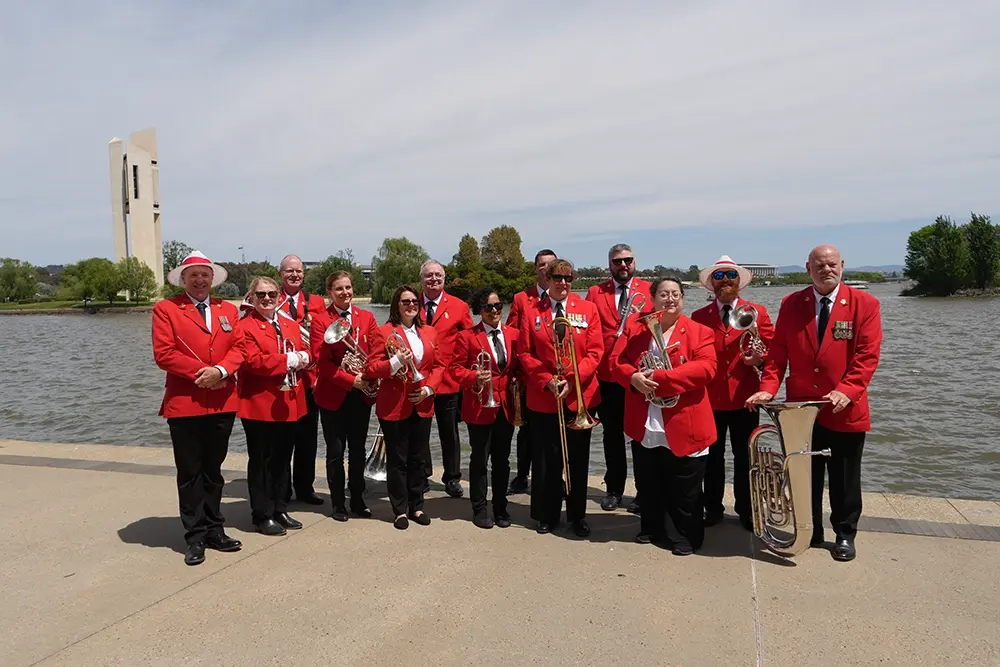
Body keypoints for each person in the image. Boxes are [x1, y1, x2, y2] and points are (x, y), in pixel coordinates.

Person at [747, 244, 882, 562]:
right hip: (801, 410)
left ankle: (845, 534)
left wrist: (847, 389)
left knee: (845, 478)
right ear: (808, 268)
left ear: (842, 265)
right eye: (819, 265)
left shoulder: (865, 304)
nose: (827, 270)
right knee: (804, 474)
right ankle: (811, 530)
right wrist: (768, 388)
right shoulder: (791, 304)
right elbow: (778, 353)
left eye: (832, 264)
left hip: (844, 408)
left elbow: (867, 356)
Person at [152, 251, 246, 566]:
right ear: (183, 279)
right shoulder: (166, 309)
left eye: (205, 274)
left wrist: (220, 372)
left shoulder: (228, 311)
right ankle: (195, 537)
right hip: (185, 404)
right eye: (193, 275)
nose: (200, 280)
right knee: (190, 472)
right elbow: (164, 353)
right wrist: (203, 374)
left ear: (212, 278)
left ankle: (215, 529)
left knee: (214, 470)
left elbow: (239, 348)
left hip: (221, 401)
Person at [611, 277, 717, 555]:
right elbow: (614, 362)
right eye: (663, 294)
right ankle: (652, 527)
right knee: (649, 479)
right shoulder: (636, 329)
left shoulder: (700, 331)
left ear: (683, 298)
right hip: (647, 418)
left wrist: (660, 377)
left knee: (686, 486)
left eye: (676, 294)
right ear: (653, 299)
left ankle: (686, 535)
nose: (670, 299)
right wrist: (632, 377)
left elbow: (706, 369)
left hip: (684, 417)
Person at [518, 258, 603, 537]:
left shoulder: (588, 309)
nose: (563, 283)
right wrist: (547, 381)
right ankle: (547, 514)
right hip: (545, 397)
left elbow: (595, 352)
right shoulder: (532, 312)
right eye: (557, 278)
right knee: (546, 461)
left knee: (577, 461)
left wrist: (572, 380)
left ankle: (578, 515)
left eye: (568, 278)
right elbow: (525, 354)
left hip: (578, 396)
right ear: (547, 279)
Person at [690, 255, 774, 530]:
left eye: (730, 275)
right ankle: (711, 508)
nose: (725, 280)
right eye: (719, 275)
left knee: (745, 457)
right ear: (710, 284)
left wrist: (758, 360)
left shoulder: (758, 312)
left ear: (740, 281)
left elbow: (773, 355)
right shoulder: (699, 317)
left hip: (745, 398)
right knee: (711, 458)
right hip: (710, 398)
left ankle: (747, 509)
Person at [236, 276, 311, 535]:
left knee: (282, 459)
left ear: (279, 296)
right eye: (261, 295)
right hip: (259, 403)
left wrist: (304, 356)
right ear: (252, 298)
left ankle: (280, 507)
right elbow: (254, 362)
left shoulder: (289, 324)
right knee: (261, 460)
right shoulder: (245, 326)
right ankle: (262, 513)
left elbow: (304, 350)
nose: (266, 299)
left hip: (288, 400)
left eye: (271, 294)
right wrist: (290, 359)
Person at [365, 285, 445, 529]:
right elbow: (370, 369)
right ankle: (400, 509)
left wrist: (429, 389)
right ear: (396, 305)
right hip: (394, 404)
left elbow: (439, 366)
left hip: (421, 401)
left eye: (414, 302)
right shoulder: (384, 332)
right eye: (405, 302)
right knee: (397, 460)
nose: (411, 305)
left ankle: (417, 506)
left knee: (418, 458)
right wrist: (395, 361)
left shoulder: (430, 331)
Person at [586, 243, 652, 512]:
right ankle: (614, 488)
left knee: (641, 436)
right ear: (609, 264)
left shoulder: (649, 291)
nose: (623, 265)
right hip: (607, 374)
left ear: (635, 262)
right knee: (612, 436)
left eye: (628, 260)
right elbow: (588, 329)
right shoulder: (594, 292)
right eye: (617, 262)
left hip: (638, 375)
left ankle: (644, 490)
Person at [310, 270, 380, 521]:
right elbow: (324, 364)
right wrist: (353, 380)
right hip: (334, 395)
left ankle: (358, 499)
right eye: (339, 288)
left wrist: (370, 374)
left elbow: (375, 351)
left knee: (358, 450)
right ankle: (338, 503)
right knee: (336, 452)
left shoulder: (367, 317)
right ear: (330, 292)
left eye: (348, 287)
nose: (345, 293)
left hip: (360, 396)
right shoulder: (320, 320)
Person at [451, 287, 520, 529]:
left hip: (505, 407)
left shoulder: (514, 334)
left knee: (502, 460)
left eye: (498, 305)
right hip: (480, 406)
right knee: (479, 460)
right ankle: (480, 509)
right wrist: (473, 377)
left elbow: (518, 367)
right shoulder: (467, 337)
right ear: (479, 311)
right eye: (488, 307)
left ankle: (501, 507)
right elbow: (455, 370)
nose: (494, 311)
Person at [418, 260, 473, 498]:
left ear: (444, 278)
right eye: (428, 276)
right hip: (419, 380)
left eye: (438, 275)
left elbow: (470, 341)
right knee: (420, 430)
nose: (433, 279)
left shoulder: (460, 306)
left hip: (449, 380)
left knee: (449, 432)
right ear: (421, 280)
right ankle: (423, 473)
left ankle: (452, 477)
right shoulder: (410, 303)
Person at [505, 248, 556, 494]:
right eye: (541, 265)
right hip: (529, 375)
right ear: (535, 269)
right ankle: (522, 474)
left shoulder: (564, 297)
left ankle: (554, 475)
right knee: (526, 430)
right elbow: (512, 335)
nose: (545, 268)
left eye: (550, 264)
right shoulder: (521, 299)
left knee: (556, 432)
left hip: (558, 376)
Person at [277, 254, 327, 506]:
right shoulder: (269, 300)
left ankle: (305, 487)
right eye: (289, 271)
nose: (294, 275)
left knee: (308, 438)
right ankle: (282, 490)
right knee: (284, 438)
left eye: (298, 271)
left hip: (310, 380)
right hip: (282, 380)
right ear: (280, 275)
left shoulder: (317, 302)